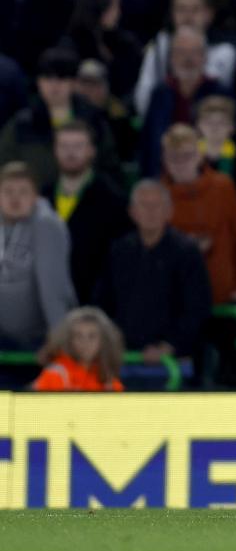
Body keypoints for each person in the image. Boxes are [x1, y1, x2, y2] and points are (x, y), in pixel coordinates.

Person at [96, 180, 212, 368]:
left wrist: (169, 346)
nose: (150, 212)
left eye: (157, 205)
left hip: (174, 362)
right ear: (132, 212)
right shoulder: (119, 250)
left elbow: (197, 308)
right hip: (124, 357)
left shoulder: (186, 252)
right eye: (144, 205)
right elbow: (103, 301)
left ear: (169, 211)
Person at [0, 47, 122, 191]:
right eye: (47, 78)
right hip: (33, 201)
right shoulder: (21, 124)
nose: (54, 85)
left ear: (73, 83)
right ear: (38, 82)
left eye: (62, 78)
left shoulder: (93, 120)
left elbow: (110, 167)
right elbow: (4, 165)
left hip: (88, 199)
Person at [161, 125, 236, 311]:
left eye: (187, 156)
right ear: (164, 160)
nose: (181, 163)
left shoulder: (223, 187)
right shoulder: (158, 196)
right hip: (175, 299)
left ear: (199, 155)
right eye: (173, 157)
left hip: (223, 292)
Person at [46, 120, 129, 307]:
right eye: (64, 146)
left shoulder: (113, 201)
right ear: (55, 150)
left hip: (95, 306)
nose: (70, 153)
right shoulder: (41, 199)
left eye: (78, 146)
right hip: (48, 304)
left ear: (92, 151)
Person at [0, 161, 76, 351]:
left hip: (40, 339)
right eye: (8, 191)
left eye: (23, 192)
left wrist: (59, 338)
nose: (15, 198)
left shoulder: (47, 225)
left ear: (36, 196)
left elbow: (53, 288)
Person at [134, 0, 236, 121]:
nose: (187, 16)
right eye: (181, 9)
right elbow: (144, 91)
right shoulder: (160, 44)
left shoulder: (224, 49)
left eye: (195, 9)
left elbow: (213, 91)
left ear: (209, 14)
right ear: (172, 14)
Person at [138, 26, 231, 177]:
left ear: (205, 56)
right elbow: (148, 144)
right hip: (165, 178)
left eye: (194, 52)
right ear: (171, 58)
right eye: (181, 52)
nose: (188, 59)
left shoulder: (220, 92)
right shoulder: (160, 94)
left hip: (209, 177)